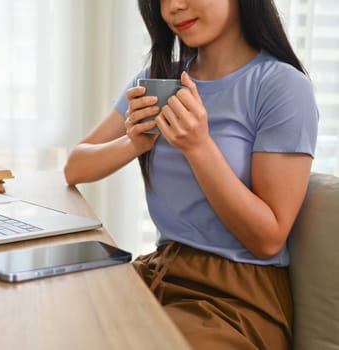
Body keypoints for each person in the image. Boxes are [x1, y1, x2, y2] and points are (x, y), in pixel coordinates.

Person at [64, 0, 318, 349]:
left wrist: (199, 147)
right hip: (161, 272)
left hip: (236, 298)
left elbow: (268, 239)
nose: (174, 7)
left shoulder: (280, 86)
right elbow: (75, 166)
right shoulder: (159, 80)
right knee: (55, 318)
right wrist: (133, 143)